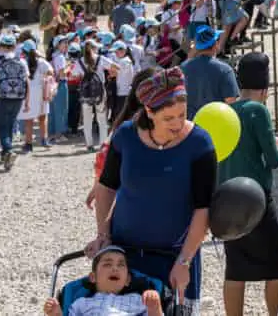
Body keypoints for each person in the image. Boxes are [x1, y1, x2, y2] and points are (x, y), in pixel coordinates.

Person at [89, 67, 216, 307]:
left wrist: (184, 262)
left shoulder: (199, 143)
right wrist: (103, 234)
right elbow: (106, 186)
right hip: (125, 255)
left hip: (175, 256)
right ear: (149, 111)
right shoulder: (126, 136)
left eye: (182, 114)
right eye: (169, 118)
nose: (178, 124)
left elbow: (203, 208)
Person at [219, 53, 278, 316]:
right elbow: (273, 159)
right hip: (256, 198)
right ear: (266, 88)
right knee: (276, 264)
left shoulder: (227, 110)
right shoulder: (257, 110)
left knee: (235, 267)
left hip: (226, 199)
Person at [43, 245, 163, 316]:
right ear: (93, 277)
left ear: (128, 279)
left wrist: (154, 307)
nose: (115, 268)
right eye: (107, 264)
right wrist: (57, 313)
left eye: (121, 265)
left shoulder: (137, 300)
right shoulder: (82, 303)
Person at [0, 34, 31, 171]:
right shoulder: (22, 61)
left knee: (1, 127)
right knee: (10, 125)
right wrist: (27, 101)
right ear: (14, 46)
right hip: (18, 98)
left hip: (2, 98)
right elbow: (27, 83)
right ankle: (5, 155)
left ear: (1, 46)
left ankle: (9, 149)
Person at [180, 25, 239, 119]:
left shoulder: (183, 68)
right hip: (217, 126)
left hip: (192, 126)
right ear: (215, 44)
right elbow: (231, 103)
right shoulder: (225, 70)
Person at [19, 39, 53, 152]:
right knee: (42, 118)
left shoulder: (22, 61)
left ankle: (28, 144)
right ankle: (44, 140)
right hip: (40, 91)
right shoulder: (41, 62)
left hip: (28, 92)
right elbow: (51, 72)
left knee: (29, 120)